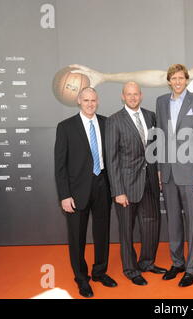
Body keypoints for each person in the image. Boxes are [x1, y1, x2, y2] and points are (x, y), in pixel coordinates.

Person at [54, 87, 117, 298]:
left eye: (93, 100)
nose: (90, 104)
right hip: (76, 191)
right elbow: (60, 165)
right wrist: (64, 195)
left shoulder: (107, 123)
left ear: (97, 101)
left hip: (103, 186)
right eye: (86, 100)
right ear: (79, 101)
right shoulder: (65, 127)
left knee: (102, 233)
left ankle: (100, 272)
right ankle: (81, 278)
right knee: (77, 237)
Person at [105, 82, 167, 286]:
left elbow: (155, 149)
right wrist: (118, 191)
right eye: (128, 94)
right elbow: (111, 159)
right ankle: (131, 270)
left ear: (141, 95)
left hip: (149, 181)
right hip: (126, 186)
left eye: (135, 94)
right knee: (126, 230)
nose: (132, 98)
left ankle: (147, 262)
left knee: (151, 225)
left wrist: (157, 172)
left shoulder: (150, 116)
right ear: (122, 96)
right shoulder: (114, 120)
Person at [156, 64, 193, 287]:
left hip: (190, 173)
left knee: (192, 223)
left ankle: (191, 267)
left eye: (181, 78)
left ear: (186, 80)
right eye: (173, 78)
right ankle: (177, 263)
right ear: (169, 81)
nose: (177, 81)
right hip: (168, 172)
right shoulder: (161, 102)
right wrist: (159, 169)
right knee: (174, 222)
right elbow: (159, 136)